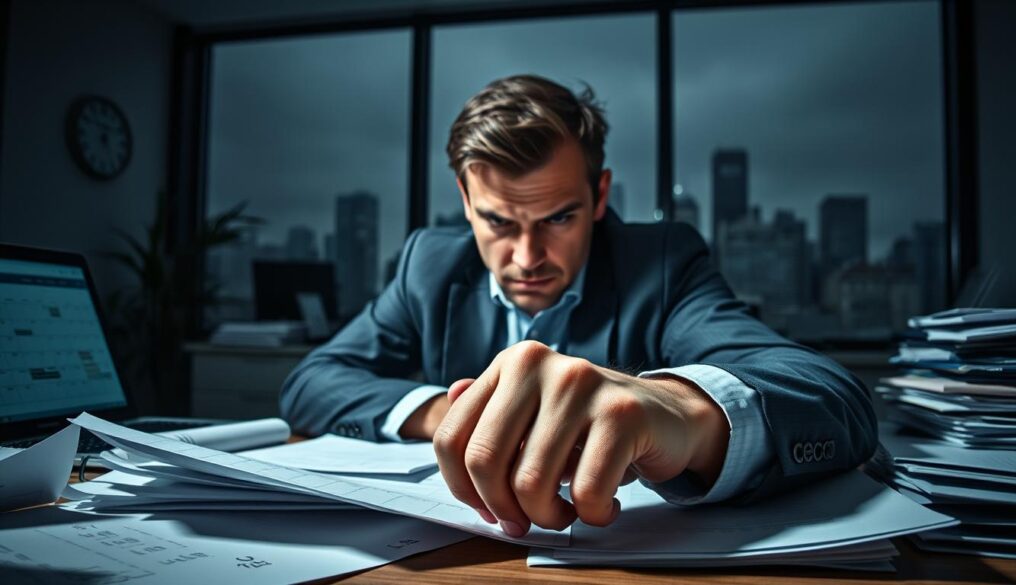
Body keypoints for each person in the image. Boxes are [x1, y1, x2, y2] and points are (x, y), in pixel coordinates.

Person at [280, 74, 877, 538]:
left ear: (599, 196)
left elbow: (832, 397)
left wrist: (681, 413)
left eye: (558, 217)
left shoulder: (663, 263)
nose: (527, 256)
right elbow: (313, 381)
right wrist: (452, 414)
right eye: (497, 220)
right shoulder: (429, 265)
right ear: (465, 200)